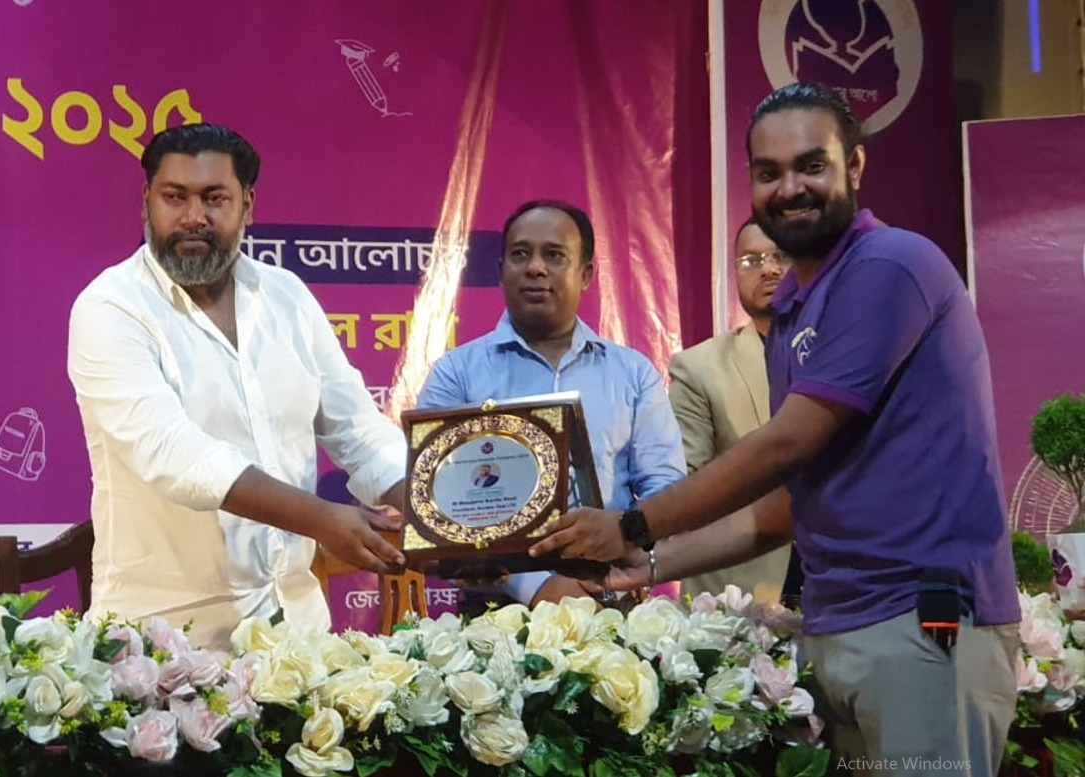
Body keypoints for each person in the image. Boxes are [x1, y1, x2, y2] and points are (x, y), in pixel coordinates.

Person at [535, 83, 1020, 776]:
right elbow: (789, 502)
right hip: (836, 626)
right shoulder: (793, 306)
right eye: (769, 172)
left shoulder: (890, 264)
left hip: (924, 623)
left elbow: (790, 440)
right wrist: (649, 564)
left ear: (855, 165)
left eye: (811, 165)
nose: (790, 188)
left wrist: (634, 525)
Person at [66, 122, 408, 651]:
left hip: (298, 639)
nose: (193, 216)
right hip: (164, 647)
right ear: (146, 202)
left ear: (247, 205)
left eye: (214, 198)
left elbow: (358, 430)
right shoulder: (110, 307)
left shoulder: (287, 296)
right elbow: (174, 454)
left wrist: (437, 515)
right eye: (174, 197)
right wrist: (321, 519)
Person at [415, 199, 686, 606]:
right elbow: (435, 505)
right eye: (520, 254)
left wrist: (628, 543)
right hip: (496, 612)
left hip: (612, 593)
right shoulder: (456, 374)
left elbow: (665, 489)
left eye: (554, 255)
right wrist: (535, 586)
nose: (536, 268)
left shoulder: (633, 373)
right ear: (501, 271)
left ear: (586, 274)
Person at [669, 219, 798, 605]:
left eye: (781, 256)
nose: (768, 269)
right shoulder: (699, 367)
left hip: (844, 574)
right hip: (741, 587)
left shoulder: (847, 352)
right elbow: (684, 488)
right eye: (751, 260)